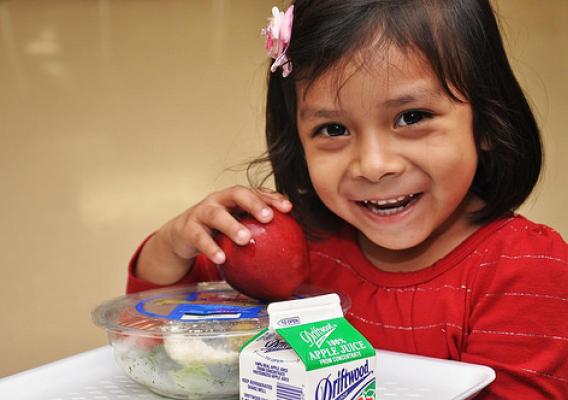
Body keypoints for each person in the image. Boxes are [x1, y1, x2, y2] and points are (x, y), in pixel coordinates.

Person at [126, 1, 568, 398]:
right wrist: (175, 243)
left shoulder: (527, 268)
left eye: (412, 117)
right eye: (333, 129)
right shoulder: (301, 247)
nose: (373, 166)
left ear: (487, 122)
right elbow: (158, 327)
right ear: (298, 143)